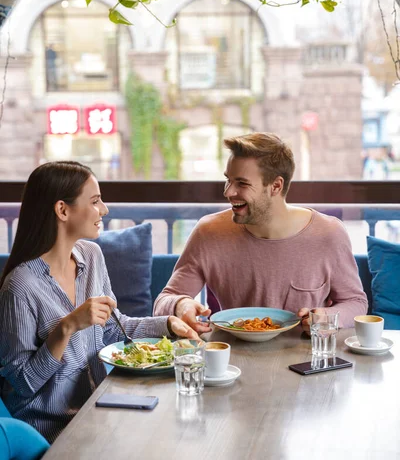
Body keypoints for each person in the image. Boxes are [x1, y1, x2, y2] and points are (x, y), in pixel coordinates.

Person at [0, 161, 198, 443]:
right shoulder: (20, 287)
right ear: (62, 210)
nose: (104, 210)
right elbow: (23, 384)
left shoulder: (92, 256)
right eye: (95, 201)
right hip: (48, 432)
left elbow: (113, 330)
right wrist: (66, 327)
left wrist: (167, 324)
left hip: (95, 412)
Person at [154, 132, 368, 333]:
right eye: (228, 179)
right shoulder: (208, 232)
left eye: (242, 183)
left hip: (307, 363)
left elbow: (356, 303)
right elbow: (165, 300)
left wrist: (326, 316)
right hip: (232, 363)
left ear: (275, 186)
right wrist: (181, 305)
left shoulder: (329, 234)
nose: (228, 192)